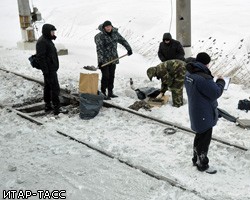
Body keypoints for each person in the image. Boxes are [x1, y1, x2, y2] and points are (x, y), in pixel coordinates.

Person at [184, 52, 225, 172]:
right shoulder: (203, 78)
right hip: (204, 113)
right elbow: (216, 92)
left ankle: (195, 159)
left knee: (199, 135)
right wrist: (221, 81)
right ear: (206, 64)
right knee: (204, 139)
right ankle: (202, 164)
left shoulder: (189, 73)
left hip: (196, 109)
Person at [95, 20, 133, 99]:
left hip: (113, 58)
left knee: (111, 76)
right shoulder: (100, 36)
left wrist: (129, 49)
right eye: (106, 27)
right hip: (104, 60)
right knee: (106, 76)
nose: (108, 28)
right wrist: (100, 61)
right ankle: (103, 93)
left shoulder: (115, 33)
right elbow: (99, 49)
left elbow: (122, 40)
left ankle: (110, 92)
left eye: (109, 26)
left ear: (111, 26)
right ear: (104, 28)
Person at [36, 23, 64, 115]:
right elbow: (41, 57)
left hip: (51, 68)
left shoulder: (47, 40)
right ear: (47, 32)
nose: (53, 33)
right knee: (55, 88)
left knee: (48, 87)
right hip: (49, 69)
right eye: (52, 31)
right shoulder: (42, 42)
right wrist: (46, 70)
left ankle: (48, 105)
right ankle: (57, 107)